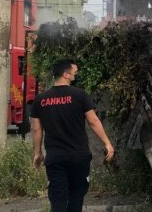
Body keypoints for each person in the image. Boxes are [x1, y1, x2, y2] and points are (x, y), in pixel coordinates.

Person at [30, 58, 114, 212]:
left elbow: (36, 129)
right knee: (76, 197)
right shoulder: (80, 95)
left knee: (58, 200)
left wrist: (37, 153)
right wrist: (107, 143)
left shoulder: (40, 99)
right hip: (78, 157)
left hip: (55, 158)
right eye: (74, 72)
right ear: (65, 74)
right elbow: (93, 121)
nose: (76, 75)